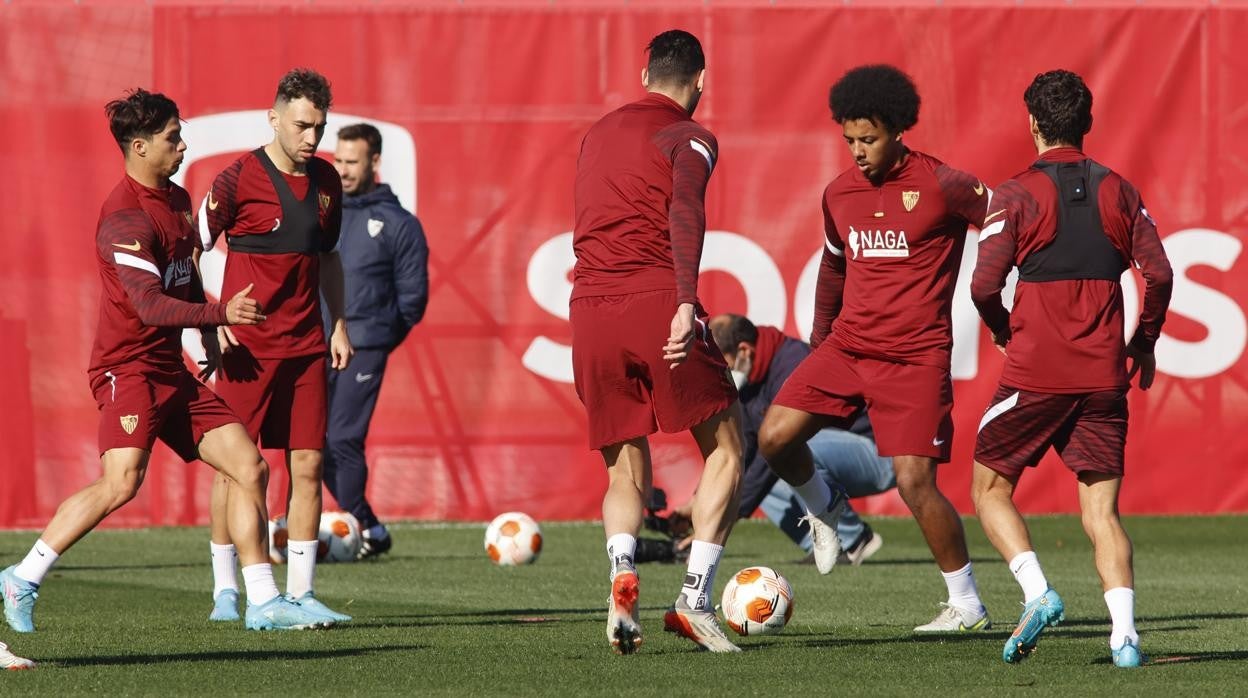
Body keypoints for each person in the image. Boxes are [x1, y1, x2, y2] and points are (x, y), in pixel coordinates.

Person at [1, 89, 329, 633]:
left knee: (249, 466)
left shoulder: (176, 201)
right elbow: (149, 305)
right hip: (126, 370)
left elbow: (186, 277)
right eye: (172, 138)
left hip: (171, 370)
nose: (183, 145)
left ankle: (264, 600)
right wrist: (223, 313)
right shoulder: (124, 219)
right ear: (139, 146)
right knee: (121, 483)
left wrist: (210, 331)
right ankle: (24, 575)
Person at [757, 64, 993, 633]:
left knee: (915, 483)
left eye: (869, 139)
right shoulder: (838, 193)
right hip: (848, 347)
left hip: (916, 356)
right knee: (773, 437)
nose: (858, 151)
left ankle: (967, 605)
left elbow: (1011, 225)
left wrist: (1016, 296)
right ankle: (827, 507)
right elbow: (833, 270)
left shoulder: (943, 184)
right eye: (849, 140)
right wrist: (819, 343)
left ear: (896, 129)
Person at [969, 70, 1173, 667]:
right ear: (1088, 124)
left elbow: (984, 284)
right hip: (1104, 379)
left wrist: (1002, 327)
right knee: (1102, 513)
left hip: (1035, 375)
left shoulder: (1015, 194)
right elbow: (1158, 275)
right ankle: (1126, 639)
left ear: (1031, 123)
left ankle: (1038, 594)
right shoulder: (1120, 190)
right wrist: (1146, 341)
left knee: (988, 487)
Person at [572, 29, 744, 654]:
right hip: (654, 300)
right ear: (700, 80)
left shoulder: (597, 131)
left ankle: (622, 580)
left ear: (644, 76)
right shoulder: (690, 135)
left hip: (589, 308)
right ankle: (695, 601)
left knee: (624, 464)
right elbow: (686, 212)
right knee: (727, 447)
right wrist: (685, 299)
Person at [200, 69, 353, 624]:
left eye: (319, 127)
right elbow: (194, 250)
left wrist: (338, 324)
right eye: (301, 125)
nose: (311, 137)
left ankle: (302, 593)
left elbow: (329, 258)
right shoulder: (236, 179)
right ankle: (226, 590)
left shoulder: (328, 182)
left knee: (308, 465)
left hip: (307, 345)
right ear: (274, 118)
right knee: (236, 471)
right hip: (246, 351)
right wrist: (210, 319)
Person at [707, 314, 892, 564]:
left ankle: (854, 539)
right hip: (839, 451)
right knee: (761, 477)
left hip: (881, 452)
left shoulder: (793, 361)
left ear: (744, 350)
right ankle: (822, 548)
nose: (722, 374)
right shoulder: (751, 381)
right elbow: (746, 452)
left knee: (788, 448)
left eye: (723, 365)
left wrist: (723, 519)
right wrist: (702, 505)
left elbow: (779, 445)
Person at [324, 123, 429, 559]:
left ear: (374, 162)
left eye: (352, 161)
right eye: (339, 160)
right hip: (313, 343)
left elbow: (412, 301)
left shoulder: (398, 224)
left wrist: (375, 338)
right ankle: (367, 527)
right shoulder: (321, 212)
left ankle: (360, 527)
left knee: (341, 438)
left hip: (364, 346)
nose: (343, 170)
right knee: (309, 441)